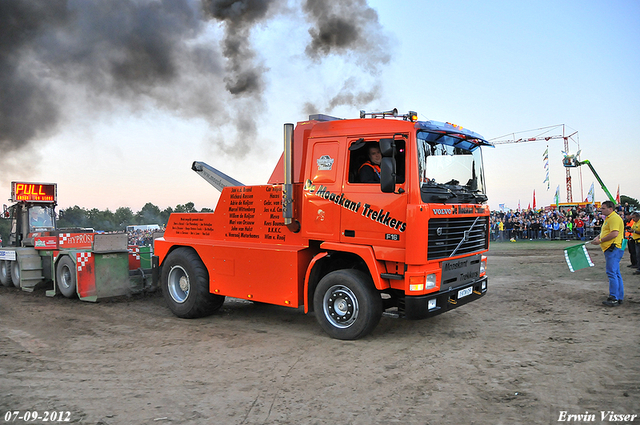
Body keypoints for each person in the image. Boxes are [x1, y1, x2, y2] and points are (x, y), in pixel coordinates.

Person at [590, 200, 625, 306]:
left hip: (612, 248)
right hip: (612, 248)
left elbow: (614, 233)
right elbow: (607, 232)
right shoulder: (609, 218)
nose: (601, 209)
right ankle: (618, 296)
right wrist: (598, 237)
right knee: (616, 273)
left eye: (603, 208)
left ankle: (614, 297)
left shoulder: (613, 218)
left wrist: (600, 241)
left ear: (610, 208)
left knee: (612, 272)